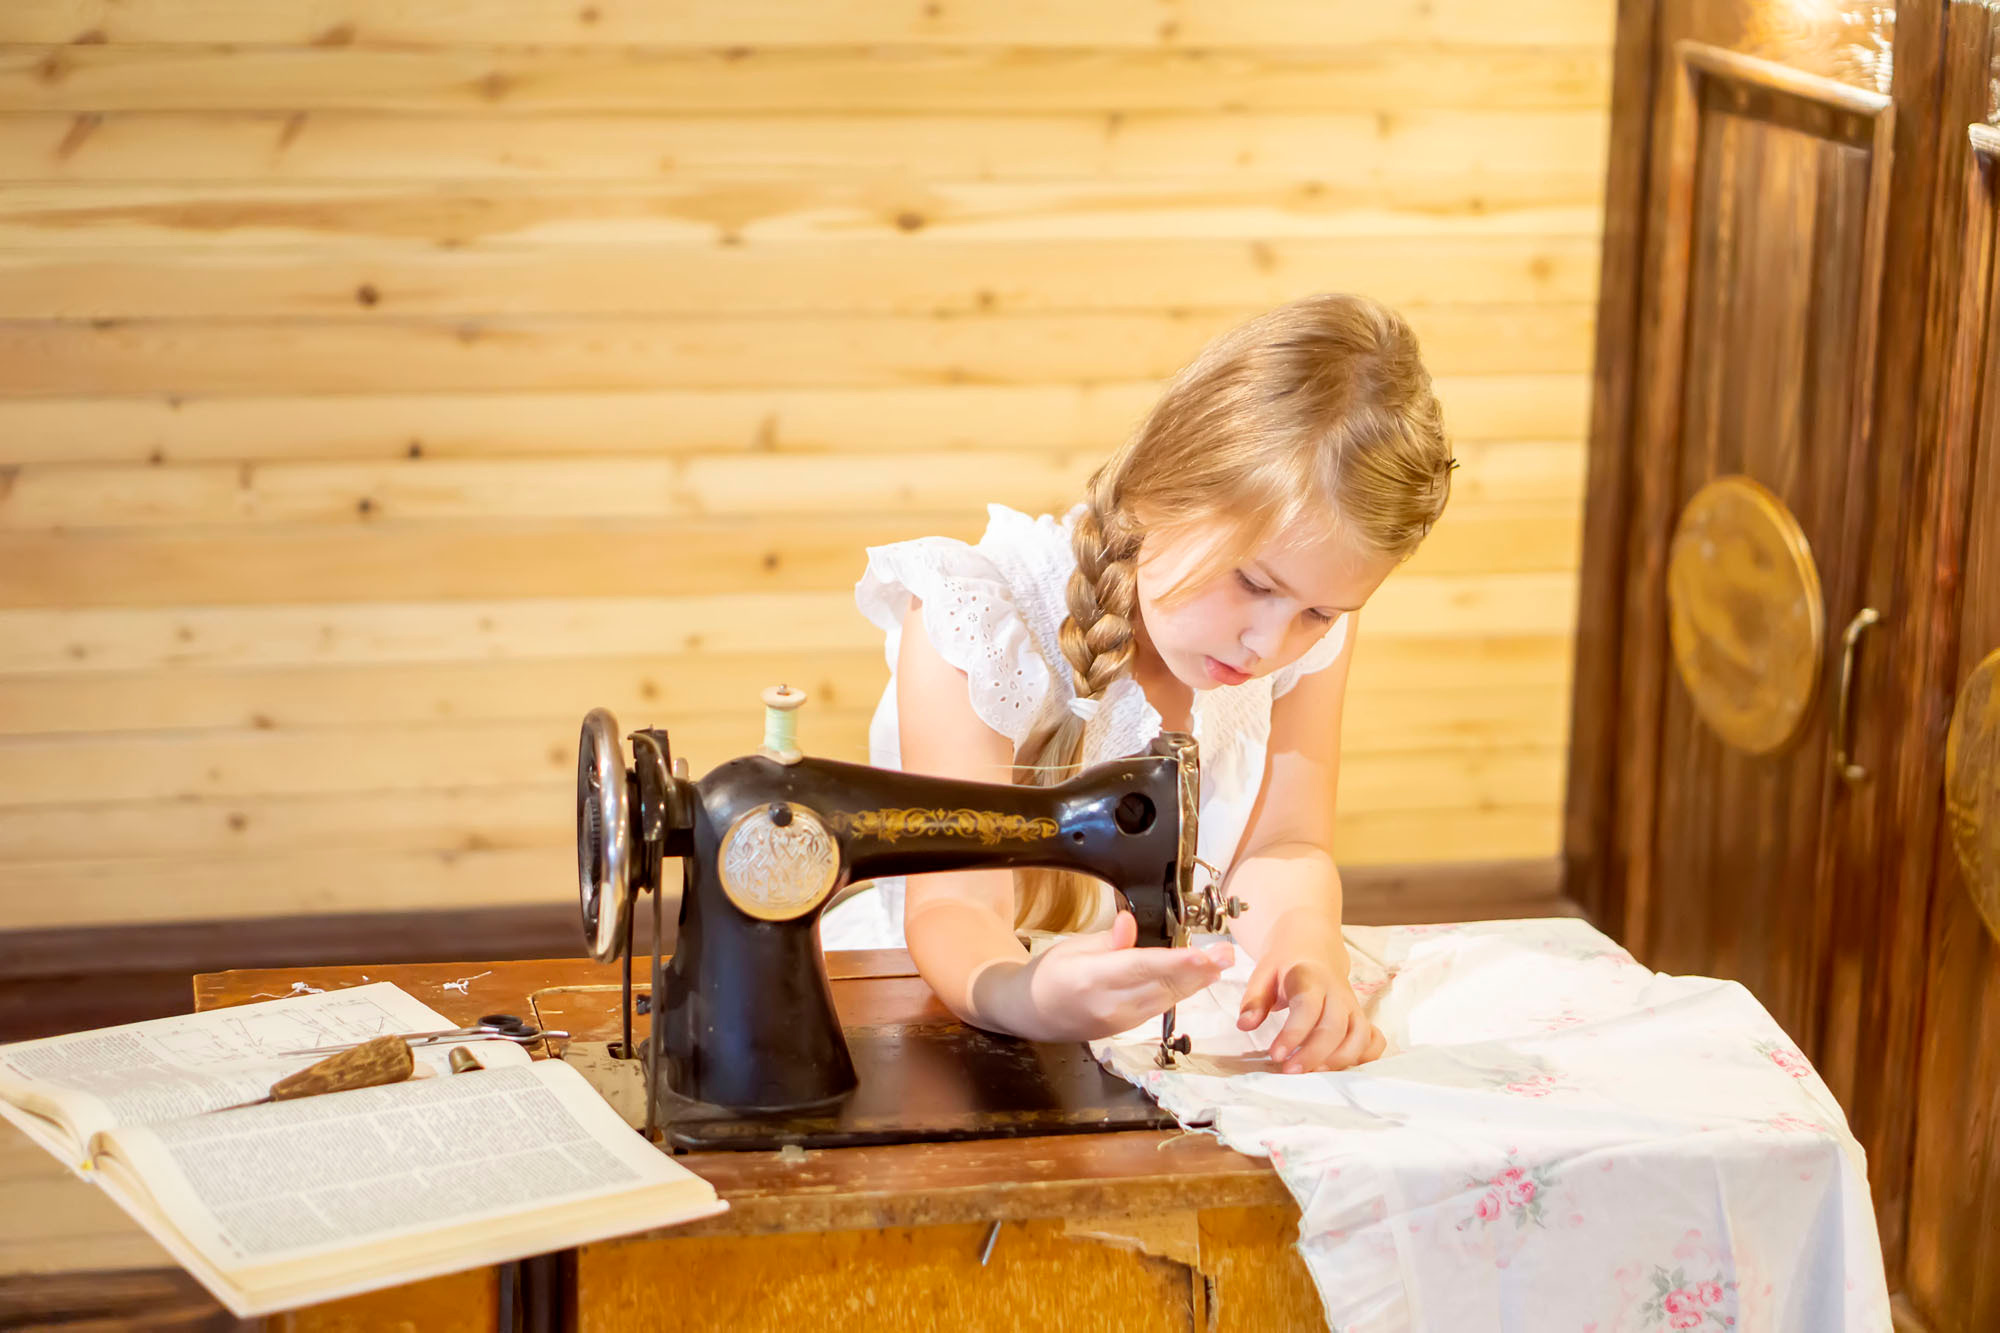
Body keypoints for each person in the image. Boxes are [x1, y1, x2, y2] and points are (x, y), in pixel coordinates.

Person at [818, 293, 1454, 1074]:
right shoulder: (978, 618)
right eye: (1252, 582)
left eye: (1319, 612)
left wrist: (1305, 949)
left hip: (1140, 1016)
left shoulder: (1298, 639)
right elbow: (955, 907)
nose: (1270, 644)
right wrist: (1030, 993)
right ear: (1165, 486)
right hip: (932, 1014)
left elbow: (1286, 845)